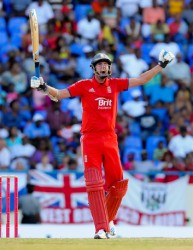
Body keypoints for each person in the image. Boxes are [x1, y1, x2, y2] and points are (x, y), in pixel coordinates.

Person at [30, 49, 174, 239]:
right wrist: (44, 87)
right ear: (93, 68)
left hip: (110, 138)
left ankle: (108, 221)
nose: (104, 66)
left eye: (106, 64)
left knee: (119, 185)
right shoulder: (84, 85)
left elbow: (141, 80)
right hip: (90, 139)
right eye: (100, 64)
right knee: (94, 184)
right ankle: (101, 229)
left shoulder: (115, 84)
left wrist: (161, 65)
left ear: (110, 67)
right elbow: (59, 94)